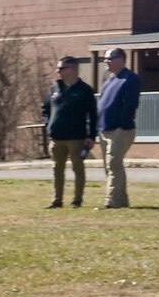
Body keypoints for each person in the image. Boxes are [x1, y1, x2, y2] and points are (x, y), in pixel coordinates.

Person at [42, 56, 97, 209]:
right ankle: (56, 201)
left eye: (61, 68)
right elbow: (45, 110)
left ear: (72, 69)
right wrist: (48, 126)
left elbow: (93, 115)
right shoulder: (54, 89)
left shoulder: (85, 90)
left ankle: (77, 201)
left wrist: (91, 136)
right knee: (57, 170)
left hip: (76, 138)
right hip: (56, 138)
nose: (58, 71)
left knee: (77, 168)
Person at [96, 48, 142, 209]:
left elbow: (131, 104)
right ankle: (122, 201)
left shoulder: (130, 78)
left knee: (113, 164)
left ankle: (112, 201)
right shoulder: (109, 79)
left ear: (122, 59)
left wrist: (123, 125)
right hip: (105, 129)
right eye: (105, 59)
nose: (106, 61)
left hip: (120, 130)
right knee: (110, 166)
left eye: (110, 58)